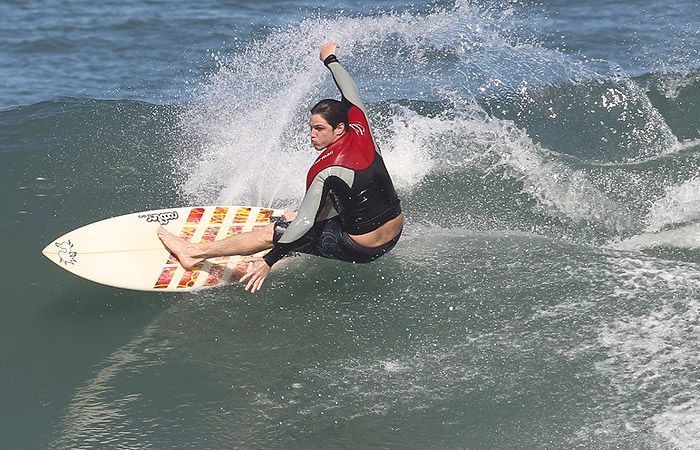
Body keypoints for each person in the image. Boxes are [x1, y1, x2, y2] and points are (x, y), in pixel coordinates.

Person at [157, 42, 403, 293]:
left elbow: (304, 223)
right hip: (393, 235)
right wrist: (330, 59)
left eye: (319, 129)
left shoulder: (325, 168)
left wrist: (268, 261)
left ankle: (193, 253)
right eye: (310, 128)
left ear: (339, 128)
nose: (312, 135)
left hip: (361, 248)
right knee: (333, 195)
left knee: (274, 231)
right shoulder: (361, 129)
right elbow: (349, 89)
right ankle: (296, 245)